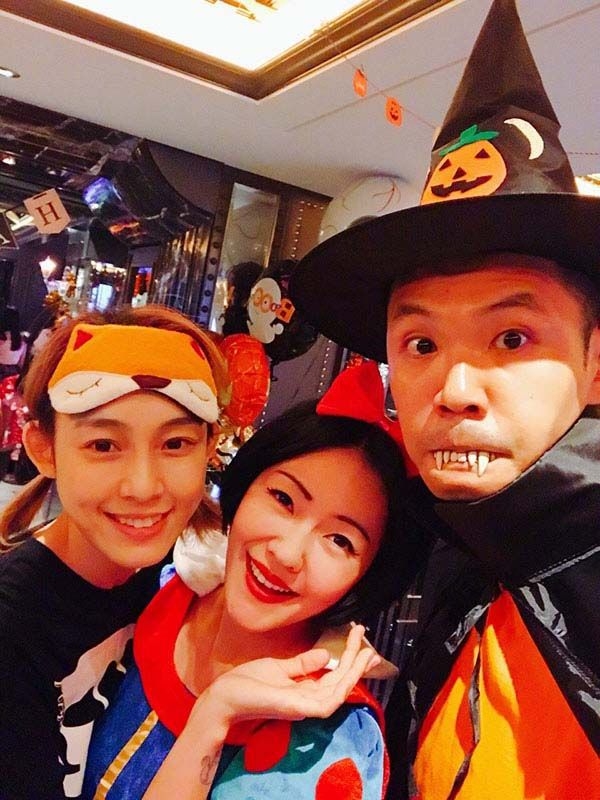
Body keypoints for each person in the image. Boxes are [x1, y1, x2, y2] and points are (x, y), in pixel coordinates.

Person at [289, 0, 600, 797]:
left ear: (597, 363)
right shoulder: (469, 544)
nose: (455, 392)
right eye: (422, 345)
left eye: (512, 338)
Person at [82, 361, 428, 800]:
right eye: (283, 498)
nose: (287, 554)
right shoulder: (159, 589)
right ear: (246, 484)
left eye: (340, 540)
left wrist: (215, 714)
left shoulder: (326, 744)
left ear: (369, 575)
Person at [0, 304, 231, 800]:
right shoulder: (14, 626)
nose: (143, 487)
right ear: (43, 449)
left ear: (210, 447)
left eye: (175, 443)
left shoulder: (191, 573)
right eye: (104, 445)